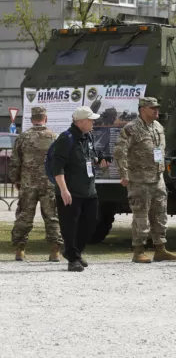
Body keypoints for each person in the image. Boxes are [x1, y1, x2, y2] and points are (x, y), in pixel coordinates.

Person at [114, 97, 176, 264]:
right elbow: (119, 151)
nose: (156, 110)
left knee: (160, 214)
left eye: (157, 107)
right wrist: (124, 173)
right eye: (153, 108)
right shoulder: (131, 128)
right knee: (141, 216)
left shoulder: (158, 127)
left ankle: (160, 249)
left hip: (157, 179)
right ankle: (138, 251)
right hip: (139, 180)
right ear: (143, 109)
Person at [50, 106, 110, 272]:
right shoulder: (66, 139)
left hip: (89, 190)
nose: (93, 122)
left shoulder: (88, 136)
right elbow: (58, 167)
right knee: (70, 226)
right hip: (70, 191)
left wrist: (101, 161)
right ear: (81, 121)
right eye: (91, 120)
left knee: (91, 223)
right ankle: (73, 259)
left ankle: (74, 252)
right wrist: (63, 190)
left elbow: (90, 158)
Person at [10, 106, 62, 262]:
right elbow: (61, 163)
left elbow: (15, 162)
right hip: (49, 184)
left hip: (28, 184)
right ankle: (55, 251)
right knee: (52, 217)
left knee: (24, 216)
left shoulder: (23, 137)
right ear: (45, 118)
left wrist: (16, 180)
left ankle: (20, 250)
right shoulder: (54, 137)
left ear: (32, 119)